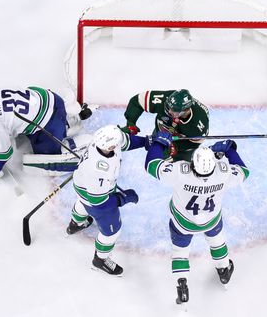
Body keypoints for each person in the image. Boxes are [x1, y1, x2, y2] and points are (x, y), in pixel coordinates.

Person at [145, 132, 249, 305]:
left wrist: (159, 143)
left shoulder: (180, 172)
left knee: (180, 252)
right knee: (217, 242)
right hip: (211, 220)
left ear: (193, 164)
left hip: (183, 222)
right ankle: (224, 271)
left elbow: (151, 165)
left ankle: (182, 285)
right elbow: (244, 171)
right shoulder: (223, 173)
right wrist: (230, 149)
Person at [0, 86, 93, 189]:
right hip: (47, 96)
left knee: (42, 156)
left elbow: (2, 156)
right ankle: (68, 114)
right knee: (14, 123)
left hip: (51, 119)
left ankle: (75, 130)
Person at [65, 125, 147, 276]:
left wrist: (146, 142)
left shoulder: (101, 142)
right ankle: (100, 260)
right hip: (95, 197)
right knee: (112, 231)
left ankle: (75, 224)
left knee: (82, 202)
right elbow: (99, 203)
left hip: (81, 184)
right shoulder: (99, 170)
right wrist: (124, 198)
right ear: (110, 146)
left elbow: (125, 142)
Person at [122, 89, 209, 162]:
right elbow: (137, 101)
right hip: (162, 130)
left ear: (185, 111)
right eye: (168, 107)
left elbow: (194, 143)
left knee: (184, 166)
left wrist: (177, 147)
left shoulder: (199, 123)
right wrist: (131, 122)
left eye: (174, 110)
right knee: (156, 151)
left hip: (182, 145)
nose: (169, 111)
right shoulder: (164, 98)